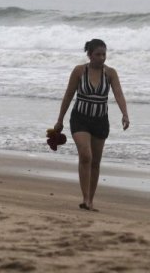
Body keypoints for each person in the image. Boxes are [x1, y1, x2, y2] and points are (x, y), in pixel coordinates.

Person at [54, 39, 129, 212]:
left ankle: (91, 201)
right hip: (80, 119)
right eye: (97, 54)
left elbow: (118, 94)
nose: (101, 58)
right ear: (89, 55)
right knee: (86, 156)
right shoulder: (79, 71)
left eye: (104, 54)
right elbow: (68, 95)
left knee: (95, 161)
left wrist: (125, 114)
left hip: (100, 121)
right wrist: (60, 120)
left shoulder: (110, 73)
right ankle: (85, 197)